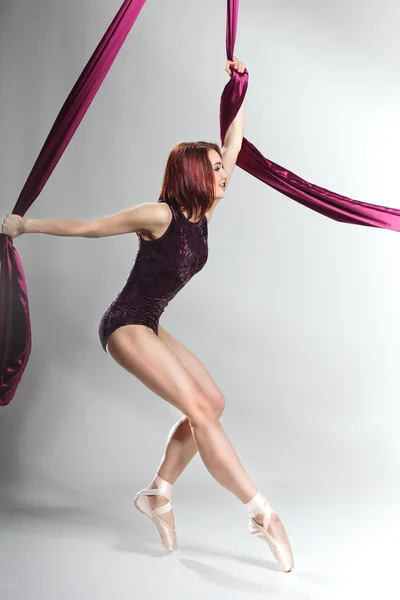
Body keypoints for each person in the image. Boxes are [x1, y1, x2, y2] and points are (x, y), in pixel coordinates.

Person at [2, 57, 294, 572]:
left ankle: (158, 492)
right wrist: (25, 227)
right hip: (125, 324)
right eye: (216, 168)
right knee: (201, 413)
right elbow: (91, 227)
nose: (225, 171)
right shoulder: (160, 214)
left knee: (212, 403)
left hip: (153, 321)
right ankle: (261, 513)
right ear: (194, 174)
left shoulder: (205, 213)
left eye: (223, 168)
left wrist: (241, 86)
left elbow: (232, 144)